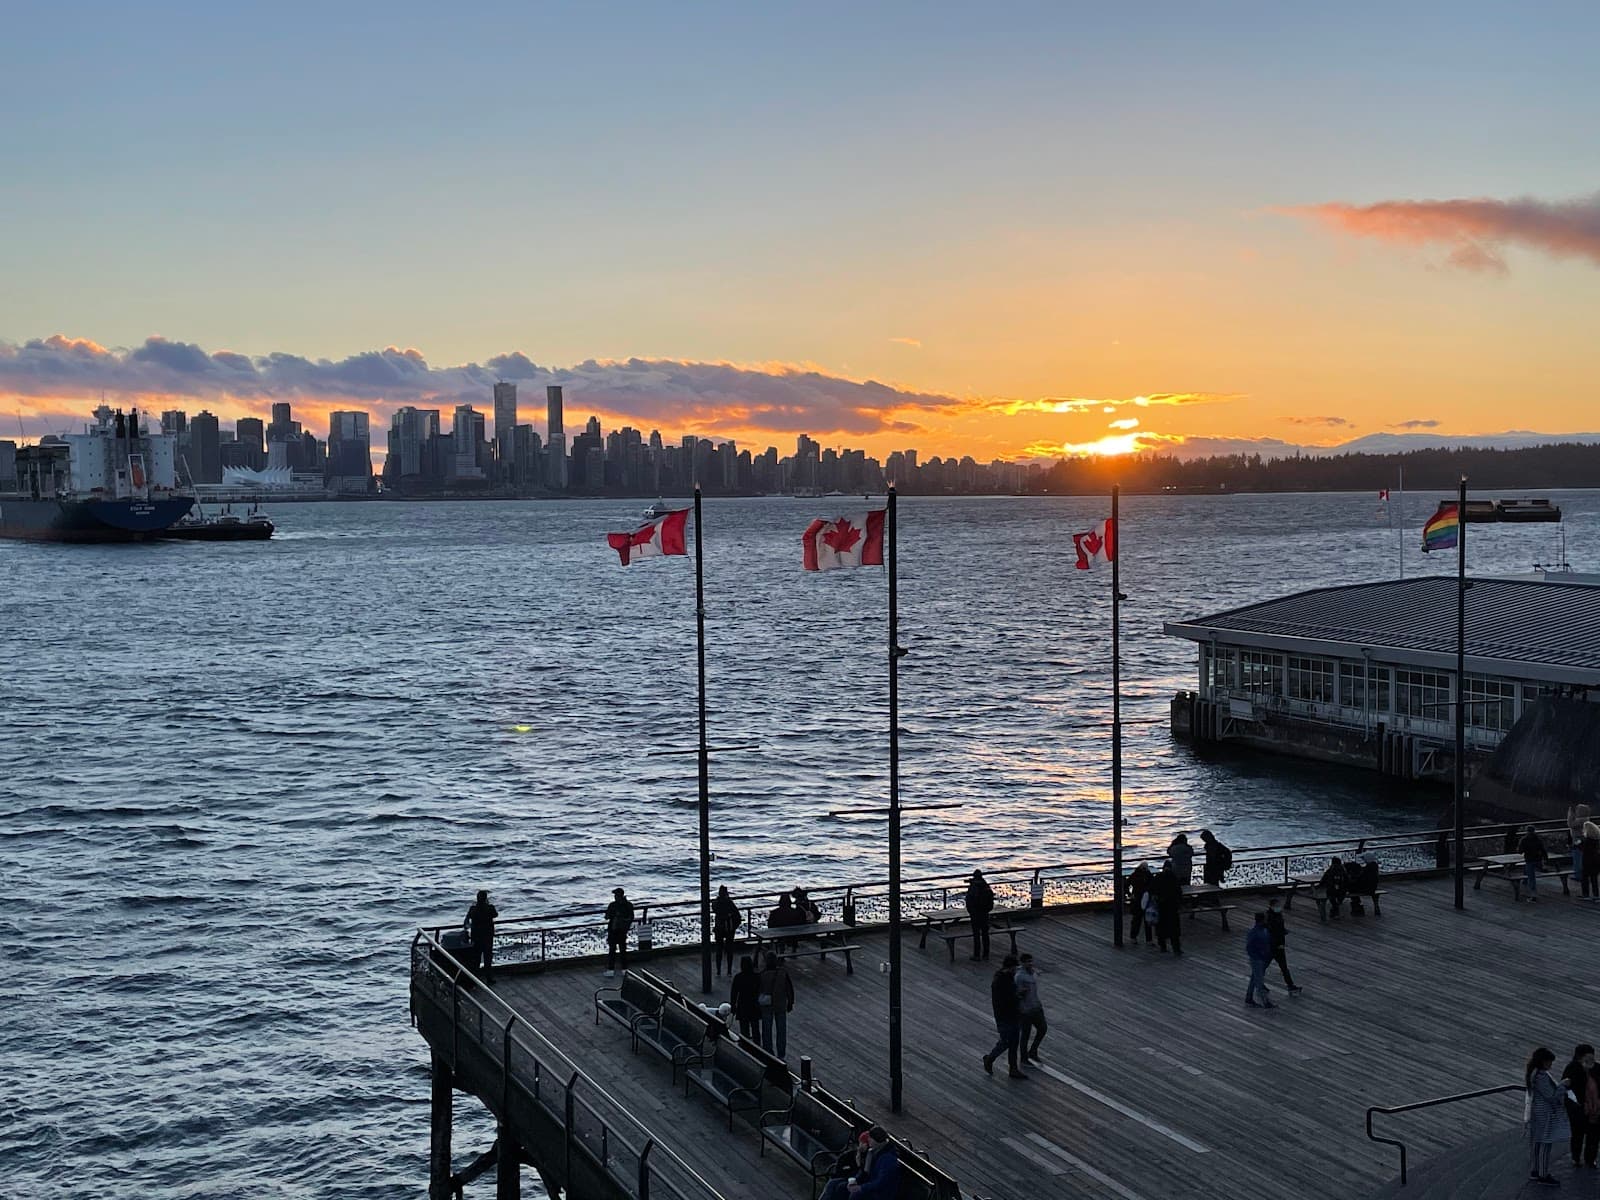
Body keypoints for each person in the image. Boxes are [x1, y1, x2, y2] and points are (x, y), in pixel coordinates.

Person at [1526, 1045, 1570, 1185]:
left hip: (1537, 1113)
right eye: (1549, 1062)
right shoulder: (1541, 1077)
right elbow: (1551, 1096)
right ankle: (1543, 1174)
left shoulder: (1534, 1074)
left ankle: (1535, 1170)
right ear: (1543, 1061)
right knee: (1546, 1142)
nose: (1551, 1064)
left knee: (1537, 1142)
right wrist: (1563, 1085)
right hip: (1545, 1114)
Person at [982, 955, 1027, 1079]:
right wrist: (1018, 996)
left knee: (1013, 1042)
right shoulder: (1001, 981)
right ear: (1010, 967)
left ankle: (1013, 1069)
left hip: (1012, 1014)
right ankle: (990, 1059)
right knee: (1006, 1041)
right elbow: (1005, 1000)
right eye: (1014, 968)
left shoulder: (1006, 978)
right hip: (1005, 1016)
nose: (1016, 970)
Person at [825, 1126, 901, 1199]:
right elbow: (865, 1173)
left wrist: (860, 1188)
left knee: (855, 1194)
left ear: (877, 1140)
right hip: (869, 1185)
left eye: (870, 1138)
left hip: (879, 1193)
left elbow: (881, 1182)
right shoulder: (873, 1152)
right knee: (837, 1185)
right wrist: (855, 1181)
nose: (868, 1140)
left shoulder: (888, 1159)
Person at [1561, 1043, 1600, 1168]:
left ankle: (1590, 1159)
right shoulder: (1572, 1069)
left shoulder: (1597, 1069)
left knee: (1594, 1136)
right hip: (1579, 1109)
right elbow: (1566, 1089)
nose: (1591, 1059)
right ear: (1580, 1057)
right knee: (1578, 1134)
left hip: (1596, 1108)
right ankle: (1576, 1157)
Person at [757, 950, 795, 1058]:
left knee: (766, 1030)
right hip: (780, 1004)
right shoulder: (783, 973)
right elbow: (789, 989)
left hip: (767, 1005)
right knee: (781, 1030)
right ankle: (781, 1053)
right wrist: (790, 1002)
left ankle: (768, 1052)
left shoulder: (762, 974)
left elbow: (759, 990)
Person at [1265, 897, 1302, 995]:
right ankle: (1290, 985)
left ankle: (1290, 985)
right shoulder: (1270, 917)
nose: (1279, 907)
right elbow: (1273, 931)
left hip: (1278, 944)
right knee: (1271, 966)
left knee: (1283, 967)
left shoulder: (1277, 915)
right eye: (1277, 906)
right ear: (1271, 906)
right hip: (1273, 946)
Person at [1015, 952, 1048, 1063]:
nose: (1031, 963)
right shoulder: (1019, 977)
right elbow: (1016, 994)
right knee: (1025, 1034)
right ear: (1022, 963)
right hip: (1025, 1010)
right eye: (1028, 962)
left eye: (1031, 961)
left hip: (1036, 1006)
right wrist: (1020, 993)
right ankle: (1024, 1058)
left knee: (1043, 1028)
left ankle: (1033, 1051)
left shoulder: (1032, 972)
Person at [463, 889, 498, 982]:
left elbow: (467, 919)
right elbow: (495, 915)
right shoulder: (490, 908)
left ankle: (474, 978)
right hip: (487, 936)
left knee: (476, 958)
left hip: (476, 936)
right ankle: (488, 977)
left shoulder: (473, 909)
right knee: (487, 958)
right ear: (486, 898)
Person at [1244, 912, 1275, 1009]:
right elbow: (1249, 947)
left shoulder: (1262, 930)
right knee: (1259, 980)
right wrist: (1258, 955)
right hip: (1257, 959)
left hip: (1261, 958)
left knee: (1254, 978)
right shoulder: (1256, 932)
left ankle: (1249, 998)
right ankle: (1265, 1002)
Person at [728, 954, 762, 1042]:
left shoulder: (738, 977)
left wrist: (733, 1006)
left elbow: (734, 993)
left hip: (743, 1005)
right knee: (755, 1028)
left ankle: (745, 1046)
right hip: (754, 1004)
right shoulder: (756, 976)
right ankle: (757, 1045)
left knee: (744, 1029)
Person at [1153, 860, 1183, 956]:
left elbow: (1153, 890)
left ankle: (1163, 946)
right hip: (1172, 906)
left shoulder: (1158, 877)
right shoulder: (1174, 878)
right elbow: (1179, 892)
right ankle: (1176, 949)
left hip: (1161, 906)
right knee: (1174, 929)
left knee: (1161, 927)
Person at [965, 869, 995, 961]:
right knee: (985, 935)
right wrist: (987, 910)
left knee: (976, 935)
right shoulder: (986, 886)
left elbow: (969, 900)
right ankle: (986, 954)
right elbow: (991, 901)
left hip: (975, 914)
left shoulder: (973, 887)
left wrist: (971, 911)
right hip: (985, 914)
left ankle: (976, 955)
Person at [604, 887, 634, 978]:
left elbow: (607, 917)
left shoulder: (612, 905)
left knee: (612, 950)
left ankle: (611, 970)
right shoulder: (628, 905)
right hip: (623, 930)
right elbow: (631, 917)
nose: (614, 897)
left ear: (617, 896)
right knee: (623, 950)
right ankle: (624, 969)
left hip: (613, 930)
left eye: (615, 895)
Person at [712, 886, 741, 976]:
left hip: (720, 928)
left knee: (719, 950)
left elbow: (715, 909)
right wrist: (734, 926)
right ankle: (728, 971)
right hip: (729, 928)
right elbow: (738, 916)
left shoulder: (716, 903)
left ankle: (719, 971)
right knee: (729, 950)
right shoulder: (729, 903)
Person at [1126, 862, 1155, 945]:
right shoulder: (1148, 875)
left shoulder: (1134, 875)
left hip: (1136, 898)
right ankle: (1149, 940)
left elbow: (1126, 884)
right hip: (1146, 898)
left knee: (1136, 919)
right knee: (1147, 919)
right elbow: (1153, 885)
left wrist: (1129, 894)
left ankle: (1133, 937)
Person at [1520, 826, 1548, 902]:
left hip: (1529, 860)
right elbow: (1543, 850)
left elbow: (1520, 851)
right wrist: (1545, 860)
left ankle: (1533, 894)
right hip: (1538, 859)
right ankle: (1525, 881)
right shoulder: (1538, 839)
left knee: (1531, 877)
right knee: (1530, 874)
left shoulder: (1524, 840)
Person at [1569, 805, 1591, 884]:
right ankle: (1581, 874)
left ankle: (1579, 875)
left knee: (1577, 858)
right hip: (1581, 841)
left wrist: (1570, 813)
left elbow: (1570, 824)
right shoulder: (1586, 819)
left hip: (1578, 841)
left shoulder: (1581, 820)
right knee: (1580, 858)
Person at [1584, 815, 1600, 900]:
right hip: (1596, 861)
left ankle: (1586, 894)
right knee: (1594, 879)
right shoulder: (1596, 840)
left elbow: (1584, 850)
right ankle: (1596, 895)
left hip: (1588, 862)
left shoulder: (1587, 841)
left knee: (1585, 878)